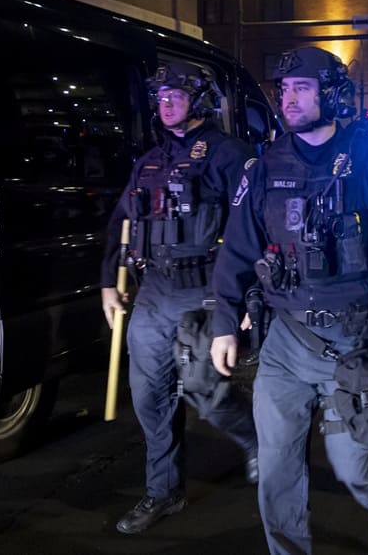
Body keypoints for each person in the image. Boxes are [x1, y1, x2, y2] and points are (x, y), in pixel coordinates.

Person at [208, 46, 368, 553]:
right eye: (285, 89)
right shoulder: (264, 167)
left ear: (331, 95)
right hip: (283, 339)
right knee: (277, 468)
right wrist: (224, 321)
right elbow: (237, 250)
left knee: (353, 465)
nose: (288, 99)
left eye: (302, 88)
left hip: (352, 340)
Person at [100, 61, 258, 535]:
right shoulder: (149, 160)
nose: (166, 104)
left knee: (205, 389)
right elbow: (121, 221)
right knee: (149, 395)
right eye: (161, 97)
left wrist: (246, 297)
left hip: (207, 287)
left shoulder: (229, 155)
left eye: (176, 96)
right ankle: (164, 491)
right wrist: (109, 280)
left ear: (200, 101)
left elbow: (252, 228)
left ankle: (256, 440)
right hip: (154, 290)